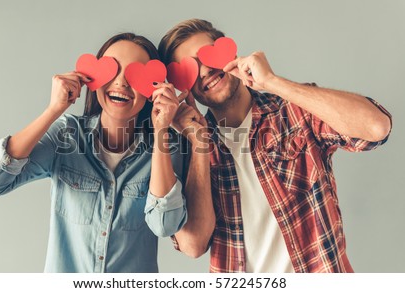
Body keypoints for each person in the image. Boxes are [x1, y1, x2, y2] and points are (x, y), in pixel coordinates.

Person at [158, 19, 392, 273]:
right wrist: (199, 142)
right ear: (184, 86)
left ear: (231, 52)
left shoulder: (294, 111)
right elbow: (193, 245)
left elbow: (376, 127)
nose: (204, 71)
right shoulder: (191, 149)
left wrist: (272, 82)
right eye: (190, 70)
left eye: (208, 55)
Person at [0, 33, 188, 273]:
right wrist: (53, 110)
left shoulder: (166, 149)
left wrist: (161, 130)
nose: (122, 83)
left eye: (136, 75)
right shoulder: (66, 134)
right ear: (94, 77)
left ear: (152, 89)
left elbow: (164, 225)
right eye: (113, 69)